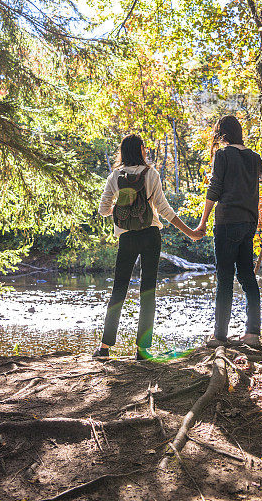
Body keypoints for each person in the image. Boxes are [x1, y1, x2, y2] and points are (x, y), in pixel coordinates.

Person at [94, 133, 202, 360]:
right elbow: (164, 209)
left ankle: (104, 347)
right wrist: (190, 232)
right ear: (141, 149)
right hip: (151, 235)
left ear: (123, 152)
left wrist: (120, 208)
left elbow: (103, 210)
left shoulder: (115, 176)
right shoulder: (151, 174)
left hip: (127, 237)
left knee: (119, 289)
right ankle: (142, 350)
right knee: (148, 292)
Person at [194, 115, 262, 348]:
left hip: (227, 222)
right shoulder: (253, 157)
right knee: (247, 276)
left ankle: (220, 335)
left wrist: (202, 223)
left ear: (223, 135)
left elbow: (215, 188)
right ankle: (253, 333)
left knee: (224, 278)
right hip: (249, 223)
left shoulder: (222, 155)